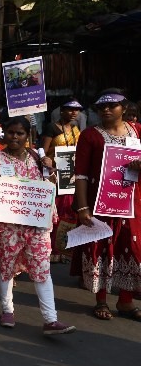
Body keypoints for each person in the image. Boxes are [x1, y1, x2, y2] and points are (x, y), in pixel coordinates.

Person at [0, 117, 76, 335]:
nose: (15, 137)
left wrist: (50, 169)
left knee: (42, 268)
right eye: (11, 132)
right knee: (6, 267)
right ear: (4, 133)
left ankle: (51, 320)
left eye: (20, 133)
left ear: (27, 136)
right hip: (7, 225)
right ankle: (7, 310)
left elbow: (49, 187)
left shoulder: (36, 158)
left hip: (37, 225)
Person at [73, 90, 141, 321]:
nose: (106, 110)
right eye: (102, 106)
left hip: (131, 201)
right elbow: (80, 174)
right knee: (103, 247)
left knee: (131, 247)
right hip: (100, 202)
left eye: (112, 105)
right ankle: (101, 299)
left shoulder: (137, 130)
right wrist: (82, 208)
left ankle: (125, 301)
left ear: (124, 107)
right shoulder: (90, 136)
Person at [40, 98, 83, 264]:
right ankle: (50, 249)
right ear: (61, 111)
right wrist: (47, 163)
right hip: (54, 175)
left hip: (69, 175)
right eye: (70, 109)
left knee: (69, 212)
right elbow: (43, 151)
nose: (74, 113)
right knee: (54, 212)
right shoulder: (51, 127)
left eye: (77, 110)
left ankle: (64, 249)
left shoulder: (75, 128)